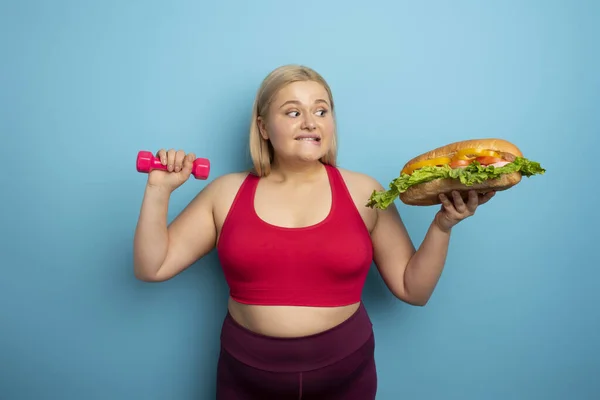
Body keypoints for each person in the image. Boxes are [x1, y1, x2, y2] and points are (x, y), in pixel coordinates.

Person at [133, 64, 495, 399]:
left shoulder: (364, 192)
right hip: (245, 377)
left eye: (321, 111)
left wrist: (443, 225)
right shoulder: (225, 192)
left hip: (345, 375)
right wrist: (158, 190)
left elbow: (412, 289)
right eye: (293, 112)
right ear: (262, 127)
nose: (310, 122)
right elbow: (153, 266)